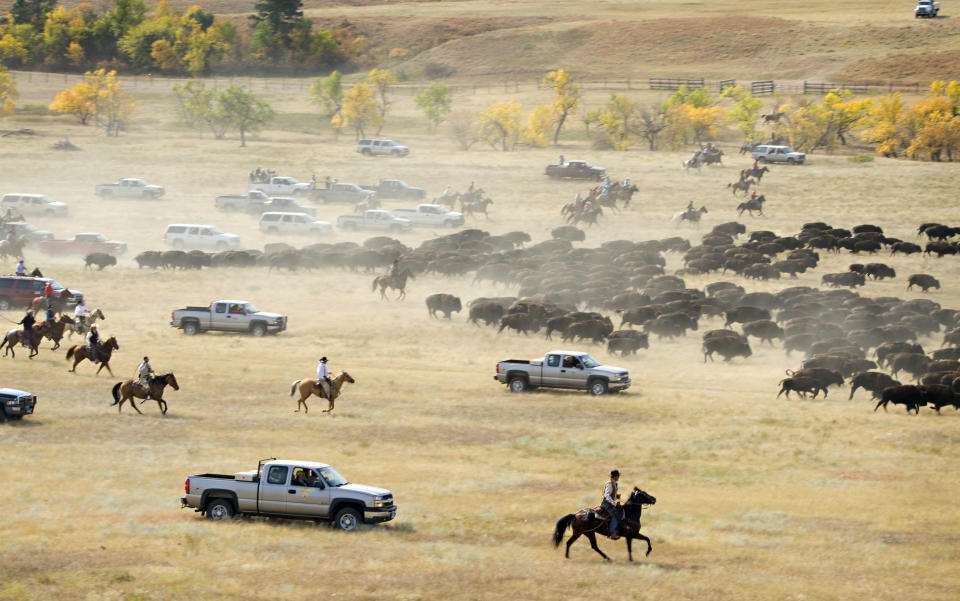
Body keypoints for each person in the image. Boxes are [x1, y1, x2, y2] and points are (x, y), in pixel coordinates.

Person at [602, 469, 622, 540]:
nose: (619, 477)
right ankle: (612, 532)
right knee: (615, 516)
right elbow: (607, 495)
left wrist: (616, 496)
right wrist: (613, 502)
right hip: (607, 503)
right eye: (618, 476)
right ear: (615, 477)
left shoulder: (613, 483)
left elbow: (611, 494)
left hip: (609, 502)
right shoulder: (610, 483)